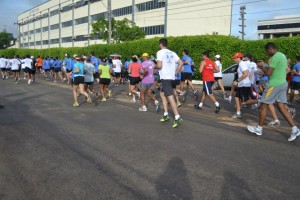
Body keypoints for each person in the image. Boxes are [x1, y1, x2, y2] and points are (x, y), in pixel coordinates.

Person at [247, 42, 299, 142]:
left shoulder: (275, 57)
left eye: (267, 51)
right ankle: (295, 129)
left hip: (274, 85)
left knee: (263, 105)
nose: (267, 53)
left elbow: (268, 73)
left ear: (270, 49)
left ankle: (258, 129)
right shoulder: (282, 55)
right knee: (282, 107)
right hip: (283, 83)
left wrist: (262, 66)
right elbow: (286, 69)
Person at [155, 38, 184, 128]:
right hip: (171, 77)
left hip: (165, 77)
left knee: (170, 97)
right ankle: (166, 114)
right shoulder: (172, 53)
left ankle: (177, 117)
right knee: (162, 94)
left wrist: (154, 66)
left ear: (160, 44)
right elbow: (181, 63)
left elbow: (159, 66)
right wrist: (176, 71)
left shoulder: (160, 52)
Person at [231, 52, 251, 119]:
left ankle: (260, 101)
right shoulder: (240, 64)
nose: (234, 59)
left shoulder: (242, 64)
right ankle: (238, 113)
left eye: (234, 58)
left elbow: (245, 74)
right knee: (237, 98)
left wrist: (237, 81)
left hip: (244, 85)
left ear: (238, 58)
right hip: (242, 85)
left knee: (244, 102)